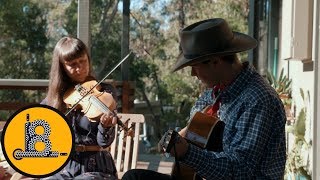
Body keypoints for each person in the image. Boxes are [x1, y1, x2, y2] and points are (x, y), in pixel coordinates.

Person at [122, 18, 286, 179]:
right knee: (134, 177)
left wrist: (187, 152)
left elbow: (240, 171)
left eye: (195, 66)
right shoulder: (213, 93)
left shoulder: (257, 99)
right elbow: (196, 128)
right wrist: (180, 136)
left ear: (215, 61)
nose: (193, 74)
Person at [41, 36, 118, 180]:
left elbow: (104, 142)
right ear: (62, 67)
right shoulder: (54, 99)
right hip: (63, 167)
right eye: (72, 64)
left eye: (83, 61)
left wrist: (105, 127)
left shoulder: (105, 92)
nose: (80, 68)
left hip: (97, 167)